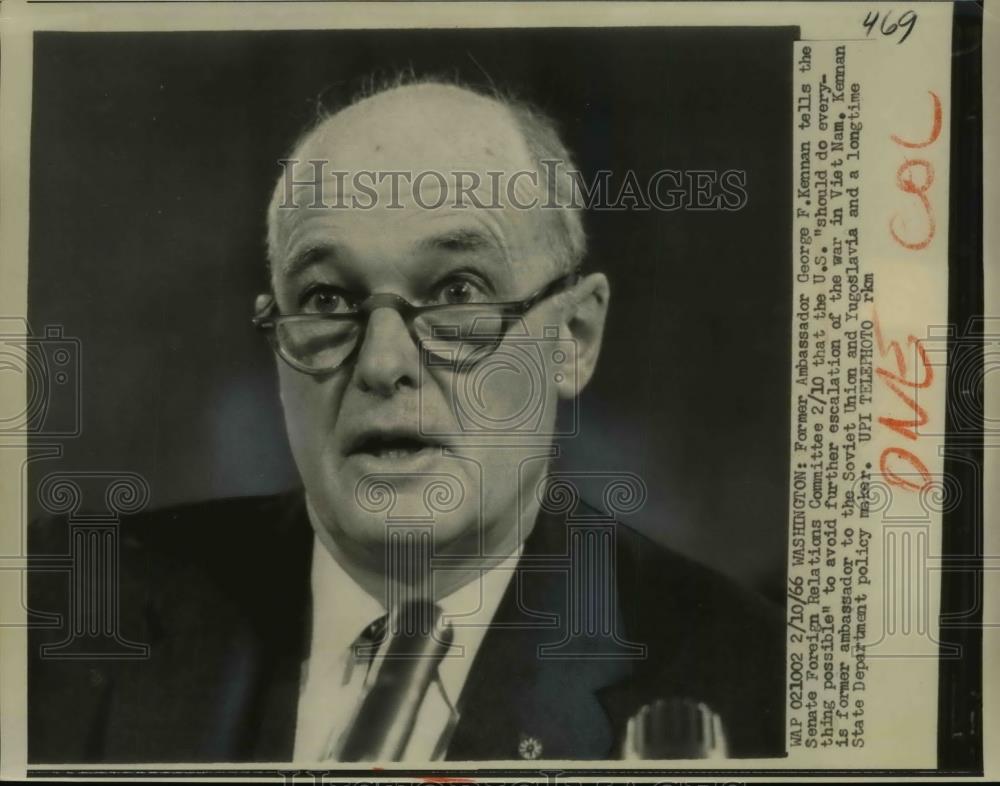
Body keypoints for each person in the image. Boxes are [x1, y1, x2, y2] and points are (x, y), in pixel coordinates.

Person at [28, 78, 784, 763]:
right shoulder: (57, 613)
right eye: (326, 299)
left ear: (572, 338)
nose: (383, 362)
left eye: (457, 291)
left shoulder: (759, 685)